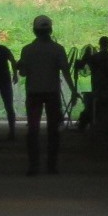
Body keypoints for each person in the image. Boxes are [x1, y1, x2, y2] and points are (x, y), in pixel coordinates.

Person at [17, 14, 75, 176]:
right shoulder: (58, 49)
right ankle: (51, 166)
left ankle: (33, 166)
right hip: (52, 93)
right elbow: (65, 72)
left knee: (33, 130)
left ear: (34, 31)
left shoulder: (27, 50)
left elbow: (23, 73)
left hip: (34, 93)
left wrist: (20, 66)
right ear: (50, 30)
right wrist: (74, 91)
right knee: (53, 131)